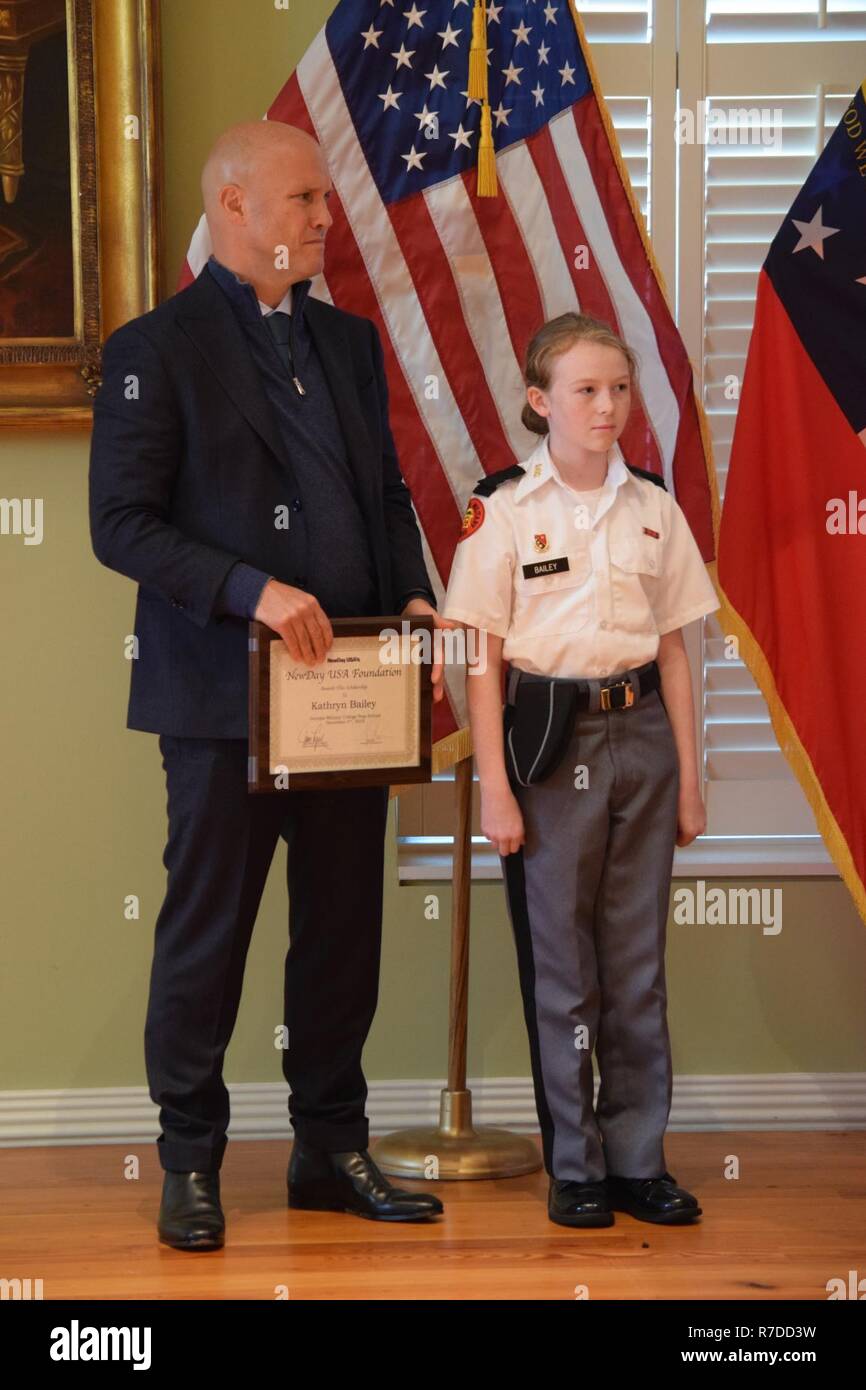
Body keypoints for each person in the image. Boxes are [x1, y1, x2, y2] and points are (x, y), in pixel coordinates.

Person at [88, 120, 448, 1249]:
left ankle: (329, 1148)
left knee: (342, 930)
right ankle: (189, 1159)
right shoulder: (155, 346)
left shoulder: (347, 344)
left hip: (352, 690)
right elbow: (119, 525)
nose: (321, 218)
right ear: (234, 207)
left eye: (321, 202)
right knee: (207, 932)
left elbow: (384, 491)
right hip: (218, 704)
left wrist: (415, 598)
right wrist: (251, 588)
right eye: (302, 200)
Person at [443, 312, 721, 1229]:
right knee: (564, 968)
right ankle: (577, 1165)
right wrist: (494, 785)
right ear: (539, 401)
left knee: (637, 963)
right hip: (551, 748)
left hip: (639, 732)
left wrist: (690, 774)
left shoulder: (653, 507)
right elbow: (479, 655)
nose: (607, 407)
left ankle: (640, 1157)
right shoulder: (505, 510)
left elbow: (678, 651)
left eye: (618, 389)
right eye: (585, 391)